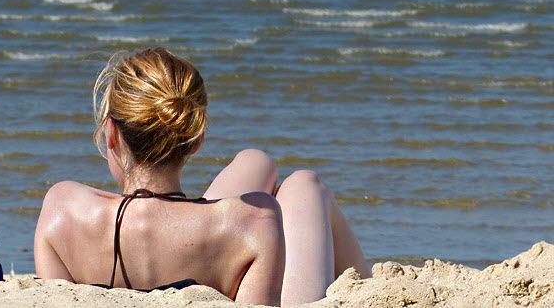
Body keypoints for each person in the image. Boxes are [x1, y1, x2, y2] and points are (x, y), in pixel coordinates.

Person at [34, 47, 370, 306]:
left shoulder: (61, 209)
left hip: (124, 242)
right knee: (304, 184)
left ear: (111, 135)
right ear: (196, 141)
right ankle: (371, 288)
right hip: (216, 245)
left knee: (256, 161)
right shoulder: (255, 220)